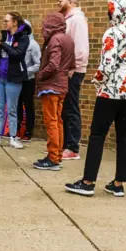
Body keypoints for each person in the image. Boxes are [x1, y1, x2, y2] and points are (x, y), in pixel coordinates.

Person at [65, 0, 126, 196]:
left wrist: (97, 81)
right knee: (125, 135)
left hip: (111, 90)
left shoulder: (113, 32)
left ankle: (87, 182)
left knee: (97, 135)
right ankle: (119, 184)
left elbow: (107, 64)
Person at [33, 12, 76, 170]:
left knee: (51, 122)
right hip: (62, 85)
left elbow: (53, 64)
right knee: (57, 121)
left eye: (45, 23)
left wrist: (39, 76)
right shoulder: (68, 39)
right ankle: (56, 156)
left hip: (51, 86)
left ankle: (52, 158)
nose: (43, 27)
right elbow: (71, 65)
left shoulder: (55, 39)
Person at [0, 12, 30, 149]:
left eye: (6, 21)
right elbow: (0, 56)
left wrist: (3, 45)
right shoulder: (5, 36)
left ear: (15, 22)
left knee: (12, 109)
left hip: (14, 77)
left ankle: (13, 137)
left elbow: (17, 54)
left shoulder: (23, 37)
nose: (4, 23)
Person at [58, 0, 89, 160]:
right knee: (66, 108)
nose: (58, 2)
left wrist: (72, 69)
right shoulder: (69, 19)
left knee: (71, 108)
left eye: (61, 0)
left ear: (70, 2)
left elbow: (81, 48)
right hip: (67, 70)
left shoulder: (77, 19)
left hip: (73, 71)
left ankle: (72, 148)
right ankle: (65, 145)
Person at [16, 19, 41, 142]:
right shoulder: (16, 43)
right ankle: (18, 129)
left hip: (28, 80)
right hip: (16, 80)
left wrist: (24, 72)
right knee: (17, 105)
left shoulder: (33, 44)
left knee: (28, 105)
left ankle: (28, 131)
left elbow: (38, 64)